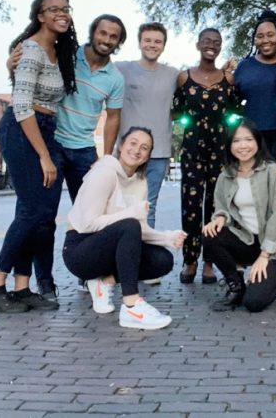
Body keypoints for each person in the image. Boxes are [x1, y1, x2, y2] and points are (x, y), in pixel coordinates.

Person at [8, 13, 127, 302]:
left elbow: (113, 118)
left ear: (118, 42)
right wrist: (11, 63)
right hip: (51, 142)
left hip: (84, 150)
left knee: (92, 217)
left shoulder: (115, 79)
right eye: (103, 33)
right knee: (43, 217)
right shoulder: (68, 55)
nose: (107, 40)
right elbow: (33, 67)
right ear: (93, 32)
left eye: (113, 36)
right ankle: (45, 281)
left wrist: (105, 157)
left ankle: (88, 272)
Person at [0, 0, 78, 314]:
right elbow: (21, 105)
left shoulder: (60, 50)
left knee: (35, 211)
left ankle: (22, 288)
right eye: (53, 9)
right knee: (32, 212)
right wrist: (45, 156)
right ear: (40, 16)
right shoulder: (32, 50)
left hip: (46, 129)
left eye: (65, 9)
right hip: (23, 129)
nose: (61, 14)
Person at [63, 127, 186, 330]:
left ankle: (105, 281)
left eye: (144, 148)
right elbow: (88, 224)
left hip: (110, 250)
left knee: (163, 260)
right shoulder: (104, 173)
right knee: (128, 224)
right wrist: (131, 215)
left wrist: (165, 238)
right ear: (121, 146)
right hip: (80, 252)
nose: (137, 150)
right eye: (133, 143)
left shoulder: (140, 182)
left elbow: (136, 229)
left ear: (148, 156)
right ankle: (131, 307)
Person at [201, 119, 276, 312]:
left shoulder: (273, 171)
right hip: (247, 240)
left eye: (248, 139)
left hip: (274, 245)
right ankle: (236, 287)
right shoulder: (226, 175)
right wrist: (221, 218)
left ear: (257, 142)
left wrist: (265, 255)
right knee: (209, 235)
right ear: (229, 145)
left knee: (254, 303)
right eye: (236, 141)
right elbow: (222, 208)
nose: (242, 146)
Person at [173, 28, 240, 285]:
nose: (211, 45)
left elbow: (234, 113)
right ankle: (189, 261)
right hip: (192, 150)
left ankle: (210, 262)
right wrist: (190, 124)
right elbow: (177, 111)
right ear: (198, 44)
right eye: (207, 41)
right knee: (190, 208)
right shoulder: (184, 77)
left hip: (220, 152)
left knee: (215, 208)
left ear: (221, 47)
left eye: (217, 42)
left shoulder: (229, 80)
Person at [114, 22, 179, 228]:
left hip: (158, 153)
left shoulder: (174, 75)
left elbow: (200, 83)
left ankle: (145, 256)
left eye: (157, 41)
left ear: (164, 45)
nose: (152, 45)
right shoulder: (121, 69)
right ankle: (121, 255)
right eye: (148, 40)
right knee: (119, 207)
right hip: (127, 153)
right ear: (140, 43)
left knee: (148, 208)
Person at [229, 10, 276, 165]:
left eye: (270, 35)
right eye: (260, 37)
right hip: (253, 138)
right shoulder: (245, 67)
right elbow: (230, 100)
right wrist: (222, 75)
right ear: (255, 40)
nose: (265, 40)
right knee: (256, 187)